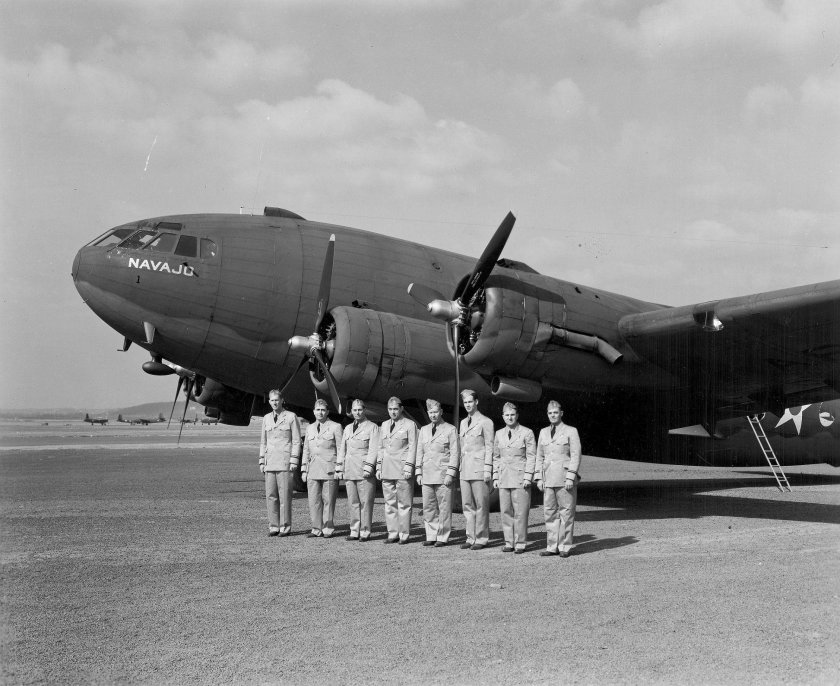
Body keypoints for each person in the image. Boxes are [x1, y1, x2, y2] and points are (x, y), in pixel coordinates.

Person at [535, 401, 582, 558]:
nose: (553, 415)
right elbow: (539, 456)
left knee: (566, 513)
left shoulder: (571, 431)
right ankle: (552, 546)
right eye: (550, 413)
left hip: (564, 478)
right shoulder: (543, 432)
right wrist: (539, 478)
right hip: (548, 478)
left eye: (555, 412)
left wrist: (571, 476)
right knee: (549, 513)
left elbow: (575, 455)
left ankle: (565, 546)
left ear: (561, 413)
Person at [492, 402, 536, 554]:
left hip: (520, 477)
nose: (510, 418)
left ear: (517, 416)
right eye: (507, 415)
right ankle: (509, 542)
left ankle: (520, 543)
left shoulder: (527, 433)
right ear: (503, 417)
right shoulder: (498, 434)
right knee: (505, 511)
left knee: (520, 512)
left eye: (512, 415)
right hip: (504, 477)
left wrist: (528, 477)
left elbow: (531, 457)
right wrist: (495, 477)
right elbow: (496, 457)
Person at [416, 399, 460, 547]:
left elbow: (455, 453)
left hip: (443, 475)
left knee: (444, 507)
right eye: (431, 412)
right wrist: (418, 472)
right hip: (427, 474)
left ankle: (442, 536)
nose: (433, 415)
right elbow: (419, 452)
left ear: (441, 412)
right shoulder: (424, 430)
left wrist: (450, 474)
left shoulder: (450, 429)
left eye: (436, 412)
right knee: (428, 507)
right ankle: (431, 535)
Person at [258, 390, 301, 537]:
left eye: (277, 400)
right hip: (270, 462)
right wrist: (262, 461)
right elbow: (263, 442)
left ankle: (285, 527)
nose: (274, 403)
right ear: (269, 402)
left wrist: (294, 460)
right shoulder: (266, 418)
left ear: (282, 400)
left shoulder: (291, 417)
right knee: (271, 496)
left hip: (284, 462)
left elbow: (296, 440)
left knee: (285, 496)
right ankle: (274, 526)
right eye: (272, 400)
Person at [335, 399, 379, 542]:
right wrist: (339, 467)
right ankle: (354, 530)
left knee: (366, 502)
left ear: (364, 410)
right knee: (353, 502)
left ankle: (365, 531)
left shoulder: (372, 427)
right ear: (351, 411)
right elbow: (343, 449)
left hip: (364, 471)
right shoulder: (347, 428)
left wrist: (369, 467)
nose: (357, 413)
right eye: (354, 410)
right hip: (349, 470)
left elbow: (373, 449)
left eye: (360, 410)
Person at [376, 396, 417, 544]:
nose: (393, 412)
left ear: (401, 409)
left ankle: (404, 535)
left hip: (402, 469)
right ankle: (392, 534)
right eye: (390, 409)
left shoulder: (409, 425)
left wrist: (409, 466)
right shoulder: (384, 425)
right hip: (387, 469)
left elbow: (413, 447)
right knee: (389, 503)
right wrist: (379, 466)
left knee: (404, 504)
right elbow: (380, 448)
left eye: (395, 409)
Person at [458, 389, 494, 550]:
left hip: (480, 468)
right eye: (465, 402)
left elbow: (490, 447)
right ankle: (470, 536)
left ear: (476, 402)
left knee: (481, 504)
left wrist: (488, 469)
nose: (467, 405)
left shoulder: (486, 422)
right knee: (467, 505)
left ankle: (481, 538)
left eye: (470, 402)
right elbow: (461, 446)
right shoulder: (463, 423)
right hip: (465, 468)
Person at [301, 399, 343, 538]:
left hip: (329, 468)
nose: (320, 412)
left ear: (327, 412)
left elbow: (341, 448)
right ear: (313, 411)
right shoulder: (309, 428)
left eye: (323, 410)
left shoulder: (336, 427)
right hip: (312, 469)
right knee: (314, 501)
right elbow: (306, 449)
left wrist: (339, 468)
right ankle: (316, 528)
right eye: (318, 410)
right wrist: (303, 469)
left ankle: (327, 528)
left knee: (329, 500)